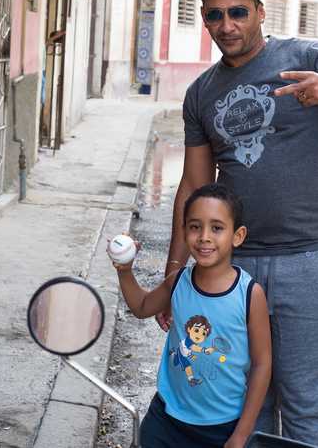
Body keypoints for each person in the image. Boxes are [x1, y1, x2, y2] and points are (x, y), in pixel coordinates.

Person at [158, 0, 318, 448]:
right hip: (233, 272)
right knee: (247, 409)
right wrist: (174, 272)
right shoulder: (200, 93)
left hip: (309, 261)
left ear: (261, 12)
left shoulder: (310, 56)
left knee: (308, 415)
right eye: (213, 15)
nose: (226, 25)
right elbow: (194, 188)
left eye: (238, 11)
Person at [112, 183, 272, 448]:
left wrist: (241, 434)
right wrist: (125, 270)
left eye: (217, 228)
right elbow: (141, 306)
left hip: (221, 427)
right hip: (167, 417)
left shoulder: (249, 295)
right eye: (195, 226)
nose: (204, 237)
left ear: (238, 235)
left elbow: (262, 364)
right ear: (184, 231)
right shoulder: (177, 283)